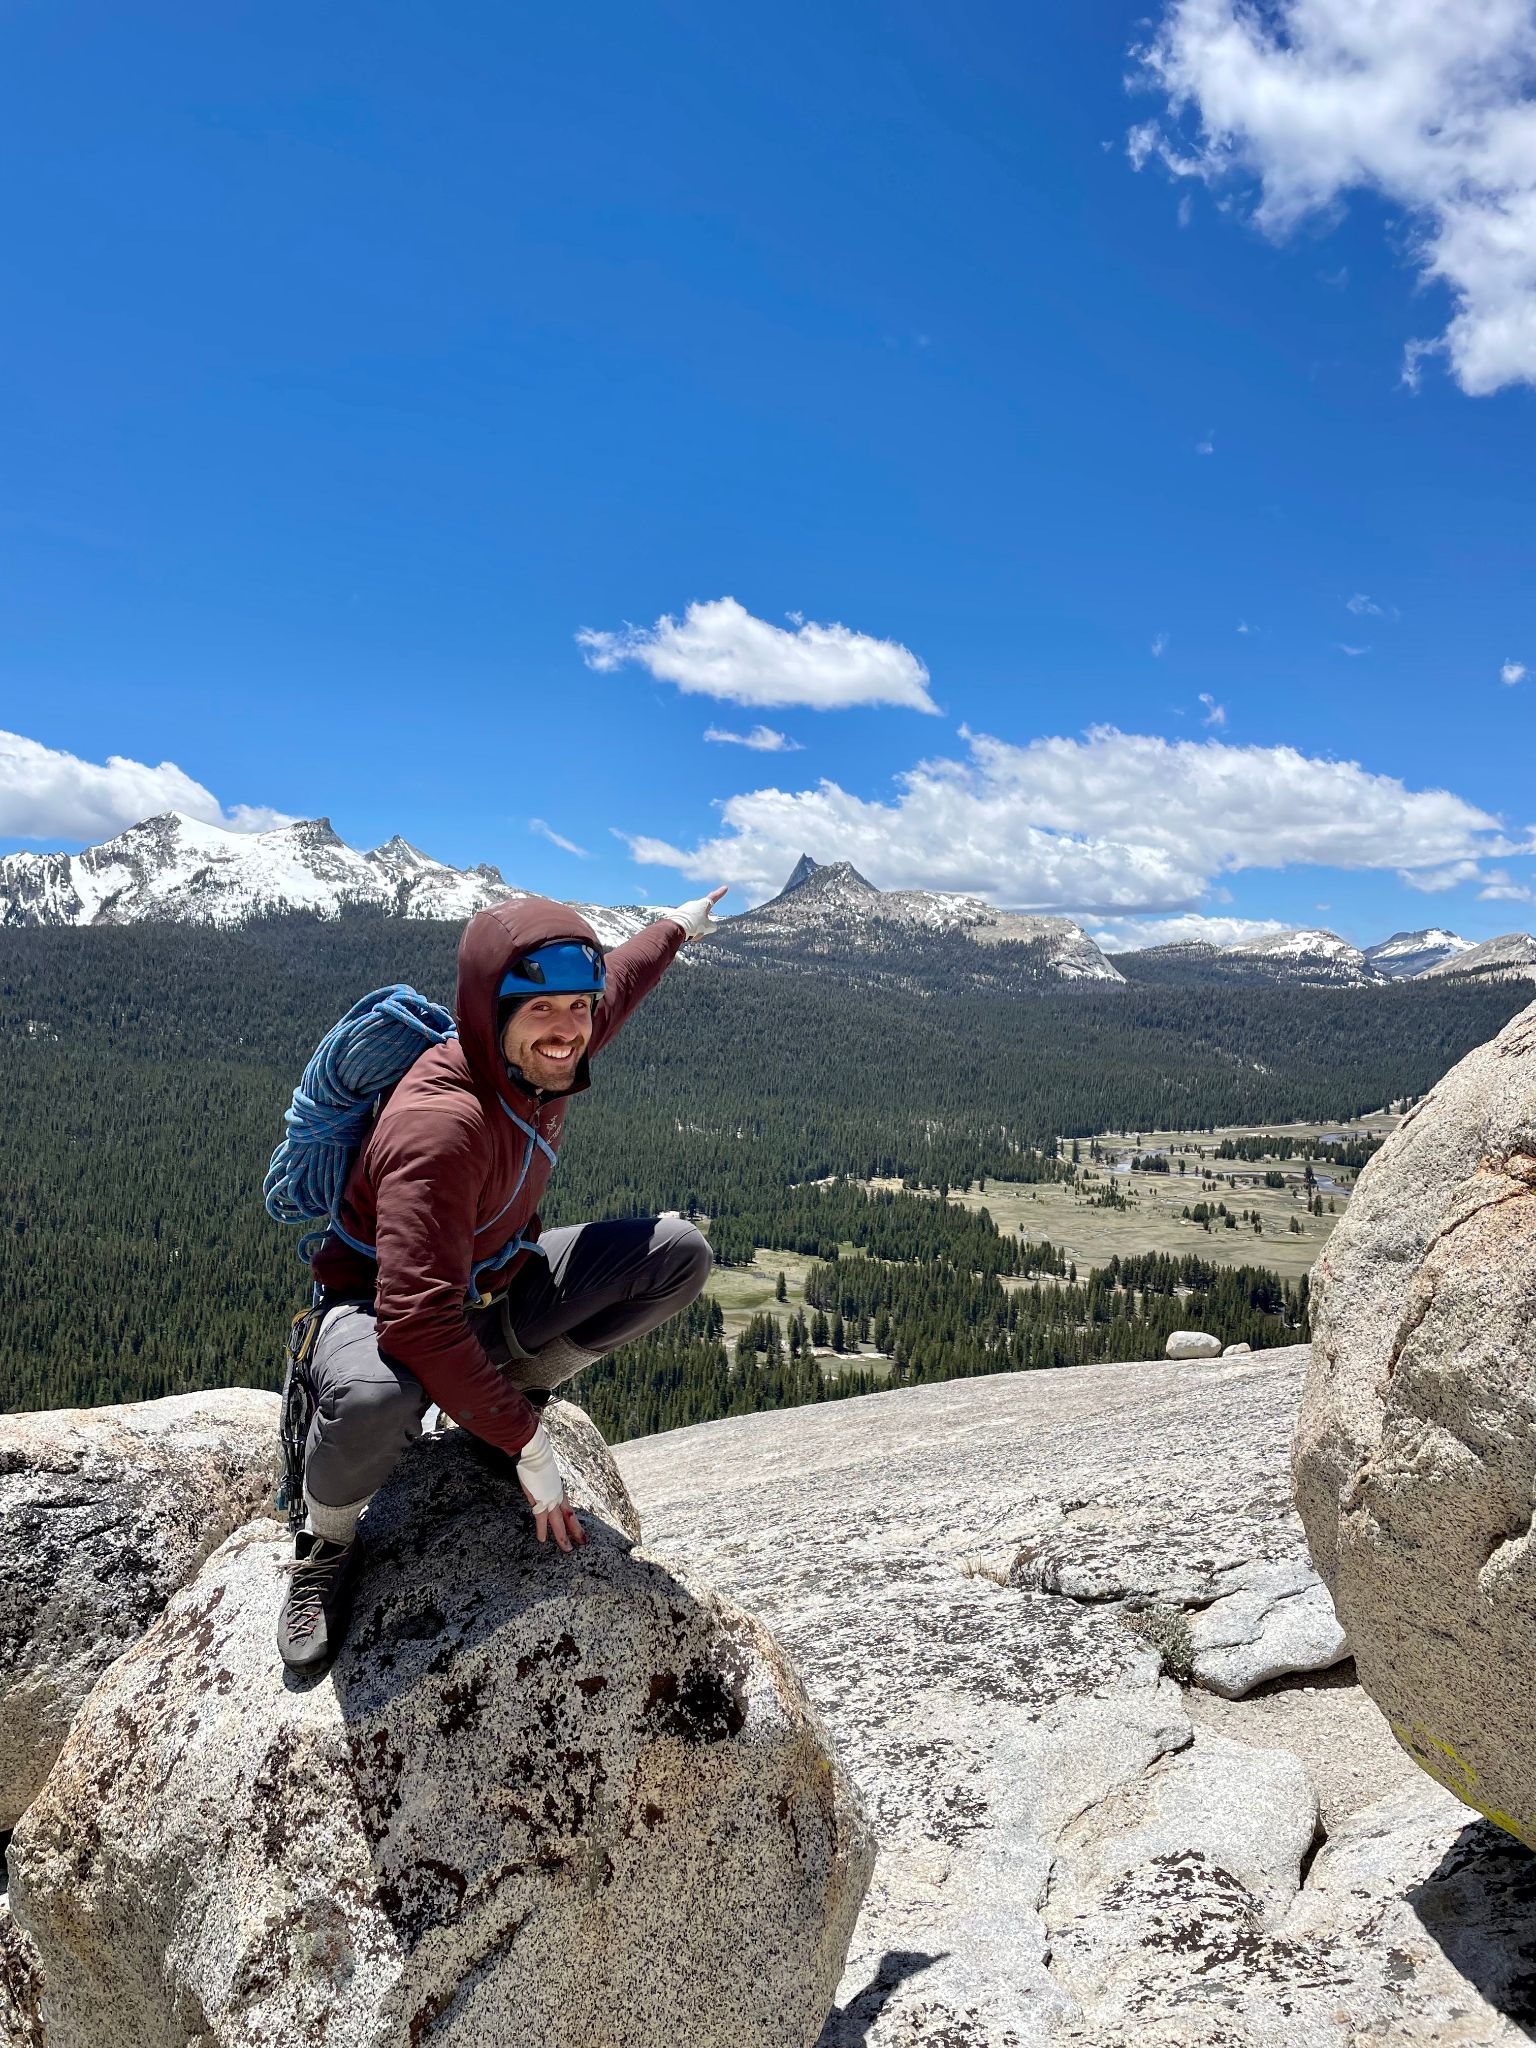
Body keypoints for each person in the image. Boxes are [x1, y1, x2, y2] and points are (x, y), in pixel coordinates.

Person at [276, 885, 725, 1674]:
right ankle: (326, 1541)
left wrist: (677, 925)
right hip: (380, 1306)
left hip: (489, 1284)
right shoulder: (441, 1125)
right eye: (542, 1010)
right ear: (493, 1012)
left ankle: (511, 1391)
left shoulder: (545, 1052)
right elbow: (415, 1321)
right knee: (379, 1396)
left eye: (578, 1009)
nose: (568, 1030)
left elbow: (622, 976)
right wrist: (527, 1445)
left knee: (677, 1254)